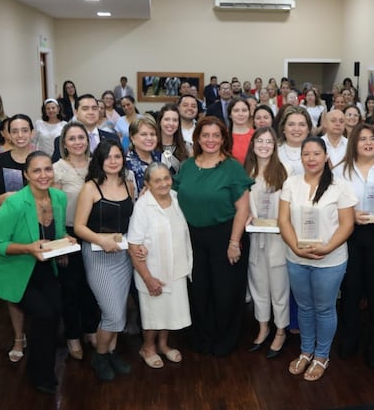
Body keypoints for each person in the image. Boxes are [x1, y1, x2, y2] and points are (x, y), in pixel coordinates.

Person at [0, 151, 71, 394]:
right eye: (37, 170)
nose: (44, 175)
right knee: (43, 314)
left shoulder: (59, 198)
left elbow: (57, 232)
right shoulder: (15, 203)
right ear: (26, 175)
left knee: (53, 313)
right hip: (13, 268)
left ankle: (42, 368)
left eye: (48, 169)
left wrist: (65, 242)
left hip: (43, 266)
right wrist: (28, 249)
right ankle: (40, 375)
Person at [173, 116, 253, 356]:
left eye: (215, 135)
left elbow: (243, 209)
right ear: (197, 137)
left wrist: (234, 242)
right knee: (199, 290)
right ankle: (201, 337)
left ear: (223, 139)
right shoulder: (187, 166)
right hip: (192, 237)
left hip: (225, 236)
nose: (210, 140)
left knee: (225, 292)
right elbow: (172, 197)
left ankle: (224, 340)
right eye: (205, 135)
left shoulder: (232, 167)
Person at [279, 137, 357, 381]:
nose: (311, 159)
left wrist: (327, 248)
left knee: (324, 308)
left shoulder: (339, 186)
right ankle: (305, 351)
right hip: (296, 256)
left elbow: (347, 224)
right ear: (301, 157)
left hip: (330, 260)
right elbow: (283, 220)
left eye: (316, 154)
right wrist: (295, 247)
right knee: (304, 306)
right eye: (306, 154)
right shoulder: (291, 183)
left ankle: (322, 355)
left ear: (326, 157)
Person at [334, 124, 374, 368]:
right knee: (351, 290)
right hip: (351, 234)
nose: (368, 143)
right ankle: (349, 339)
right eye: (362, 139)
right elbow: (335, 201)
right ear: (354, 143)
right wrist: (351, 214)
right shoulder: (341, 171)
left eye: (372, 139)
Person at [73, 141, 136, 381]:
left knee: (119, 309)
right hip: (98, 255)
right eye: (108, 157)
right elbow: (79, 227)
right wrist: (101, 240)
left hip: (123, 255)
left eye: (117, 156)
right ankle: (99, 355)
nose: (113, 161)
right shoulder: (90, 188)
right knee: (112, 313)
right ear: (99, 160)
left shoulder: (129, 185)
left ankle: (111, 353)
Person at [128, 162, 192, 368]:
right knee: (153, 315)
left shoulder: (175, 198)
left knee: (169, 312)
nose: (164, 183)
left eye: (166, 178)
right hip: (152, 271)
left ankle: (164, 345)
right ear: (147, 183)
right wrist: (147, 278)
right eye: (157, 180)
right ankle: (148, 347)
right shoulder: (142, 206)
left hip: (176, 269)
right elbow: (133, 244)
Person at [0, 114, 35, 363]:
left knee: (35, 287)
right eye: (14, 131)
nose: (20, 135)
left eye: (25, 130)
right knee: (12, 290)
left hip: (35, 230)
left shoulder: (42, 161)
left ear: (32, 133)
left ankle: (37, 335)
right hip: (8, 232)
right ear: (7, 134)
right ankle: (18, 337)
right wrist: (9, 197)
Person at [53, 122, 99, 360]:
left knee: (92, 286)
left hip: (94, 234)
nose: (78, 142)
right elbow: (54, 207)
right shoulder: (58, 169)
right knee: (70, 288)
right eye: (72, 139)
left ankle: (91, 329)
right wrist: (60, 242)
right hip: (68, 235)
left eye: (82, 137)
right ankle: (72, 336)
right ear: (64, 143)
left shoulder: (96, 166)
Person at [244, 127, 290, 358]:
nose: (264, 145)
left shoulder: (283, 172)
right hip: (254, 238)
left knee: (279, 289)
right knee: (259, 287)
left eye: (269, 142)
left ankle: (281, 330)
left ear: (275, 146)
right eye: (259, 141)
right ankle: (263, 327)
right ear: (253, 144)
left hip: (278, 240)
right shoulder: (246, 171)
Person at [52, 94, 118, 162]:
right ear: (76, 113)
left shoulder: (112, 138)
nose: (91, 112)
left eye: (94, 108)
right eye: (85, 109)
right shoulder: (62, 141)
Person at [126, 116, 162, 195]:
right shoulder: (125, 164)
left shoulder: (162, 158)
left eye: (152, 134)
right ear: (132, 138)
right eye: (143, 134)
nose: (149, 138)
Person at [277, 106, 313, 176]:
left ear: (308, 129)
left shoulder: (318, 151)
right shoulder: (273, 150)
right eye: (291, 124)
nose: (296, 129)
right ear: (283, 128)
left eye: (302, 125)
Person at [157, 104, 189, 174]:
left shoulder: (188, 147)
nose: (171, 123)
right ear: (160, 122)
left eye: (175, 120)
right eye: (167, 119)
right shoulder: (151, 147)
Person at [229, 98, 254, 163]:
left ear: (249, 113)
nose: (241, 114)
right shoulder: (223, 136)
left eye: (244, 110)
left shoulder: (256, 135)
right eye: (236, 110)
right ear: (230, 115)